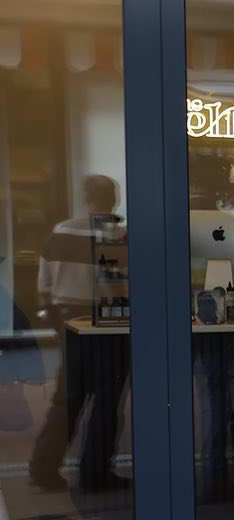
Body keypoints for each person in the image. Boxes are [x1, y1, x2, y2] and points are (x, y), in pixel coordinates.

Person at [30, 175, 122, 491]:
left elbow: (43, 282)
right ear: (113, 199)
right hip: (104, 321)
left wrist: (54, 313)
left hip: (66, 317)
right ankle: (95, 473)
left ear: (86, 198)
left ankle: (43, 468)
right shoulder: (113, 231)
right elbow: (117, 283)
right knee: (107, 398)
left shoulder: (60, 230)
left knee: (68, 396)